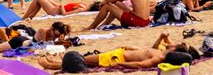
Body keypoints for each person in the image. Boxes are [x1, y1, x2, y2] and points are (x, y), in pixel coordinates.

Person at [38, 32, 200, 71]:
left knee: (85, 61)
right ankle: (54, 63)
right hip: (119, 52)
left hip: (117, 57)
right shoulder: (164, 51)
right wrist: (160, 38)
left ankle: (52, 65)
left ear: (176, 50)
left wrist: (119, 64)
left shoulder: (159, 57)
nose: (172, 43)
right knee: (86, 59)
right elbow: (160, 44)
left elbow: (140, 64)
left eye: (176, 44)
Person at [22, 0, 99, 20]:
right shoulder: (84, 5)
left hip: (55, 11)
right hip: (57, 7)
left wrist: (62, 6)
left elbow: (64, 14)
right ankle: (30, 17)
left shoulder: (81, 9)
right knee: (42, 0)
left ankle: (25, 17)